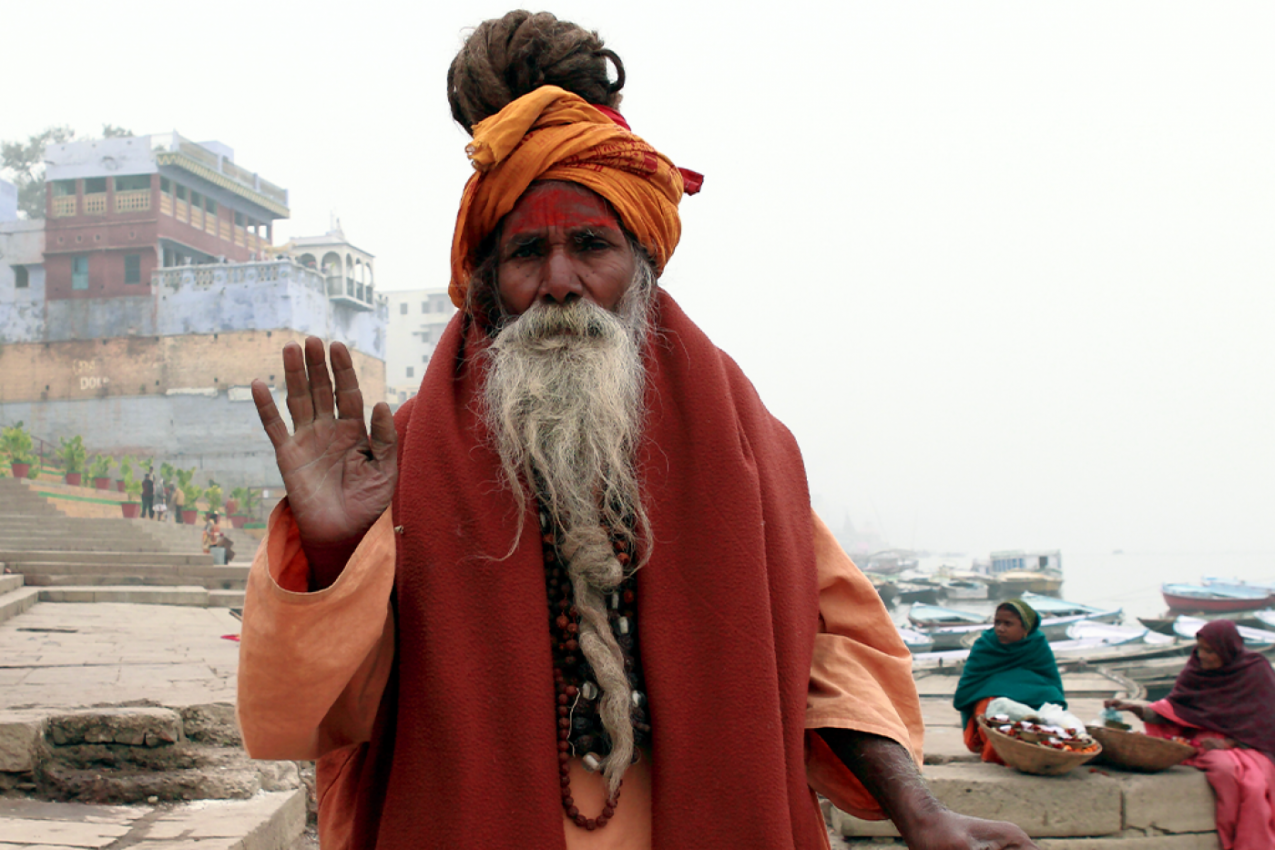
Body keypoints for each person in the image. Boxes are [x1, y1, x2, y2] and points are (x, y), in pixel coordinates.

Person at [236, 11, 1037, 850]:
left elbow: (831, 658)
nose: (559, 282)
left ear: (641, 269)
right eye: (524, 255)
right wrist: (332, 559)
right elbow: (312, 722)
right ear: (484, 284)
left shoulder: (739, 442)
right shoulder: (403, 454)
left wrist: (921, 811)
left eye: (591, 245)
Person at [1106, 620, 1275, 850]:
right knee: (1224, 770)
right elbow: (1177, 708)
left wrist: (1230, 742)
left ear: (1227, 649)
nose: (1202, 656)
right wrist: (1136, 709)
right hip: (1203, 742)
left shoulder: (1256, 669)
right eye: (1200, 649)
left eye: (1210, 651)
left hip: (1249, 744)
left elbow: (1266, 719)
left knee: (1254, 787)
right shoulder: (1195, 670)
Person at [953, 600, 1066, 764]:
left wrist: (1016, 686)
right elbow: (968, 687)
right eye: (997, 622)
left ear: (1025, 628)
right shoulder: (984, 646)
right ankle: (997, 753)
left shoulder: (1037, 645)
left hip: (1032, 699)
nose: (1000, 628)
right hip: (991, 698)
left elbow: (1051, 684)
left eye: (1008, 624)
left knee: (1048, 711)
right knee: (989, 706)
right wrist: (998, 688)